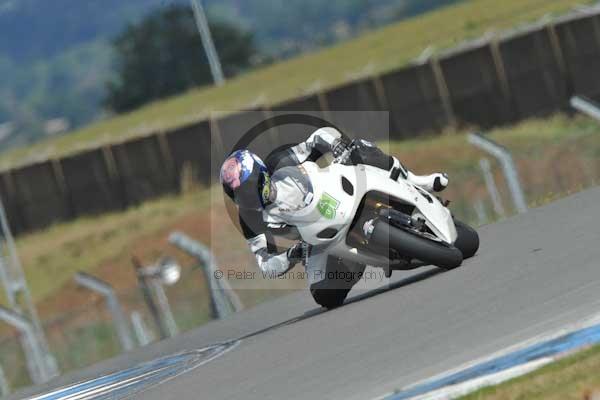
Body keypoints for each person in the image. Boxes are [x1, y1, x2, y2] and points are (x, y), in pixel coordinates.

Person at [220, 127, 448, 308]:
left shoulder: (281, 160)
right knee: (325, 295)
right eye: (241, 196)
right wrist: (292, 254)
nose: (249, 197)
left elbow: (318, 136)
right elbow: (265, 264)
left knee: (360, 149)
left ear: (261, 172)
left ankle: (418, 181)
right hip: (317, 240)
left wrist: (337, 146)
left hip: (334, 191)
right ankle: (359, 260)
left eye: (250, 187)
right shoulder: (249, 218)